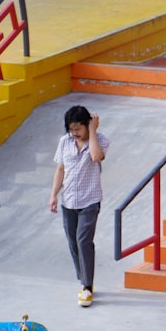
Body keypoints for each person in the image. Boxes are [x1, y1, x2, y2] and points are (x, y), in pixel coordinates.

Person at [49, 105, 109, 307]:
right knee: (73, 243)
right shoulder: (64, 142)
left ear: (87, 124)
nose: (74, 133)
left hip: (89, 201)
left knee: (84, 241)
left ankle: (86, 286)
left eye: (78, 129)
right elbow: (60, 169)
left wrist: (92, 131)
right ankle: (83, 277)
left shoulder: (100, 140)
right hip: (68, 201)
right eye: (71, 129)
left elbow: (95, 157)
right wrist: (53, 195)